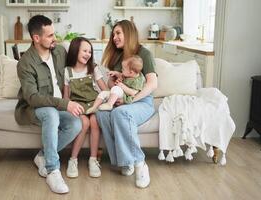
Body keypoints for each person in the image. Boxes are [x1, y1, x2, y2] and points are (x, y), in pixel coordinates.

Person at [14, 15, 84, 194]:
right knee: (51, 114)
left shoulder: (59, 51)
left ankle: (42, 156)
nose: (55, 38)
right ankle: (53, 170)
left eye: (54, 34)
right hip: (34, 108)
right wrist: (64, 103)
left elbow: (77, 69)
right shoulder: (25, 63)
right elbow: (33, 98)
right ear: (36, 38)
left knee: (77, 123)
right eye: (50, 35)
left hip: (58, 106)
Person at [96, 20, 158, 188]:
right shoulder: (117, 56)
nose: (114, 37)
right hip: (122, 99)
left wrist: (129, 101)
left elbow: (152, 84)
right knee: (102, 113)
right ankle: (125, 162)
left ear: (128, 33)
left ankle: (140, 163)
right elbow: (112, 85)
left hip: (141, 102)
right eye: (113, 34)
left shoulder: (143, 53)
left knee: (120, 113)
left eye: (118, 33)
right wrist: (112, 81)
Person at [63, 37, 108, 178]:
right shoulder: (67, 71)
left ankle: (93, 160)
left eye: (90, 51)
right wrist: (71, 107)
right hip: (78, 105)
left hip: (94, 104)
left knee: (94, 122)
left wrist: (102, 101)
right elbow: (66, 97)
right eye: (84, 50)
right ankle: (73, 159)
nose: (88, 54)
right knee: (85, 122)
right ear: (75, 50)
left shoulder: (93, 68)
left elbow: (105, 89)